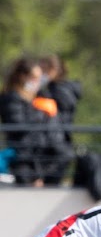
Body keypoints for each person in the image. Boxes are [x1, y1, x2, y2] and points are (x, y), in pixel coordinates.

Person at [0, 57, 73, 186]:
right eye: (34, 78)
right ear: (23, 77)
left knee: (64, 155)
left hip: (40, 154)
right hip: (24, 157)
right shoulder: (11, 98)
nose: (38, 82)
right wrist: (41, 111)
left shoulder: (34, 96)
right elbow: (17, 124)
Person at [38, 55, 82, 146]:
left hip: (58, 139)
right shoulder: (51, 87)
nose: (41, 74)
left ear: (54, 70)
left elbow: (62, 116)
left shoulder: (60, 90)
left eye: (44, 70)